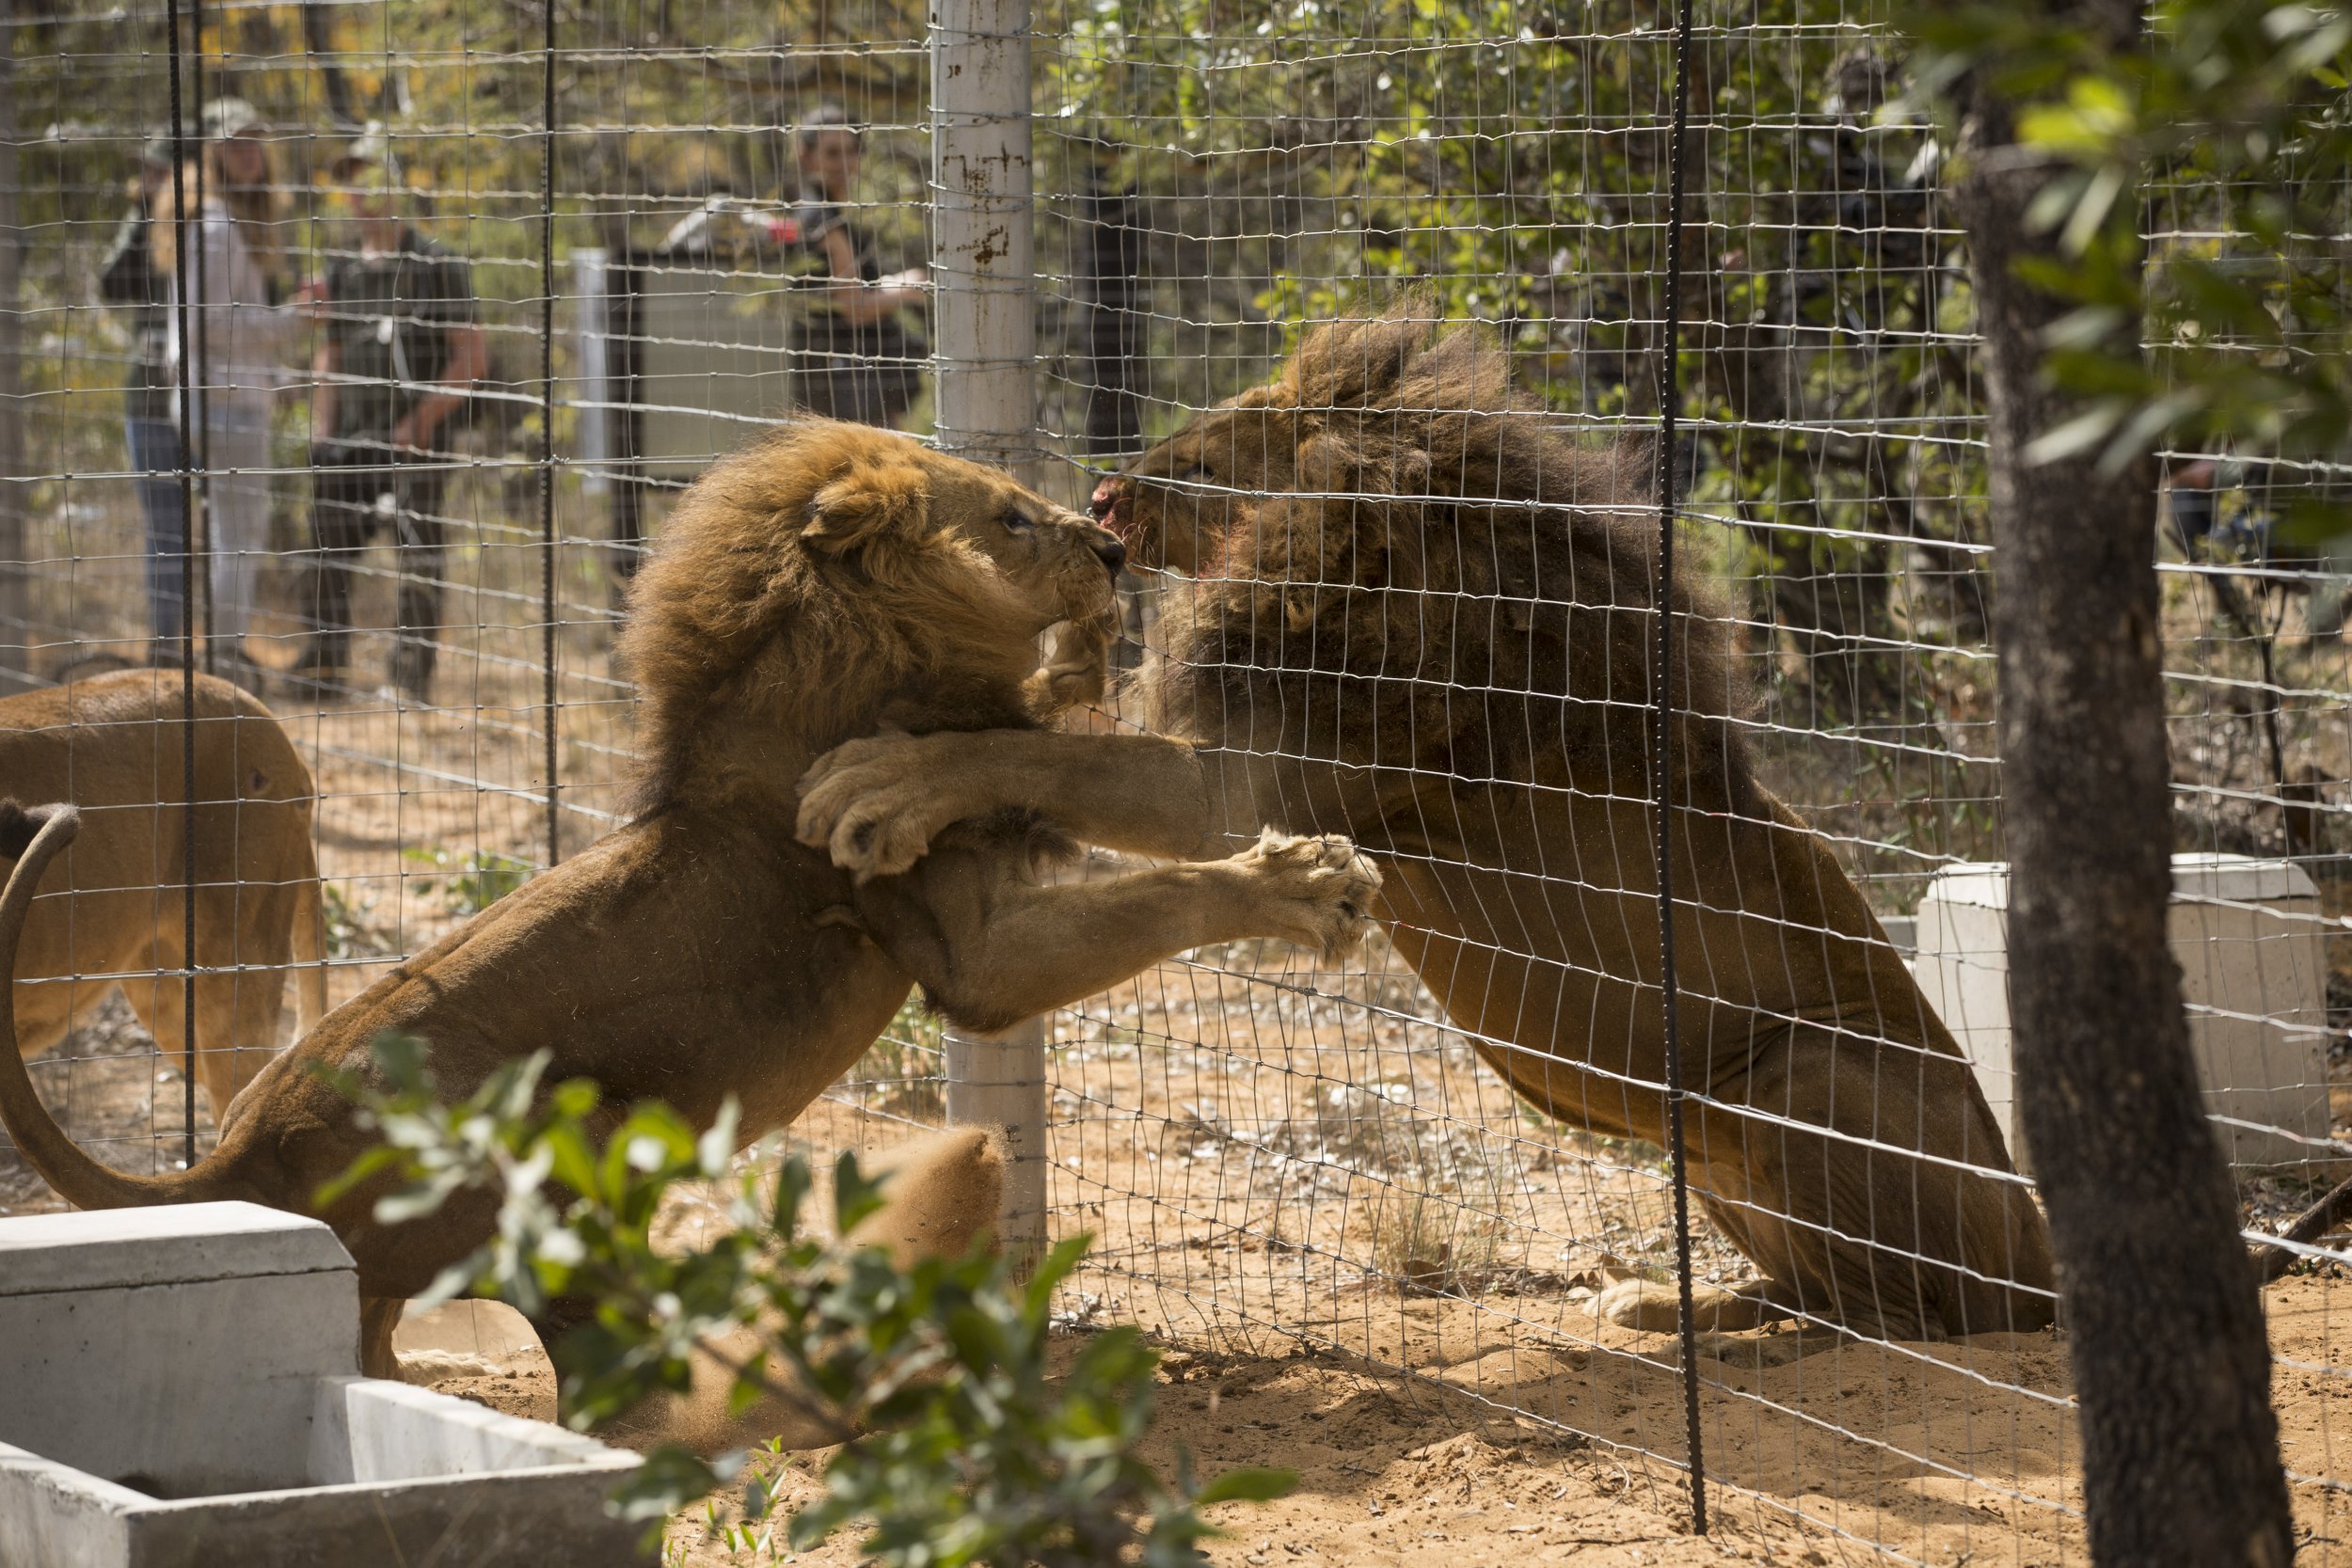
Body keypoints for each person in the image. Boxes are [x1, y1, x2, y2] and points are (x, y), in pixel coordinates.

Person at [296, 128, 484, 703]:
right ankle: (324, 671)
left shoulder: (435, 263)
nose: (363, 190)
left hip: (414, 441)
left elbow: (472, 355)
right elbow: (331, 348)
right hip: (348, 440)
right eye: (352, 178)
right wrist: (320, 427)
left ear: (396, 183)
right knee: (327, 555)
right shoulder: (344, 268)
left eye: (373, 175)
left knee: (418, 556)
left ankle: (408, 682)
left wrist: (423, 418)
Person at [148, 98, 298, 690]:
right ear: (212, 151)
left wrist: (280, 375)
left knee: (230, 532)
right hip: (223, 399)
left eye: (255, 142)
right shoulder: (216, 227)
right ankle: (225, 664)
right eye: (236, 143)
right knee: (240, 535)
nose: (250, 153)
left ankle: (220, 657)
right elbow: (212, 321)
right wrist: (294, 319)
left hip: (221, 392)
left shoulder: (221, 221)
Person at [98, 130, 188, 655]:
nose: (151, 180)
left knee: (219, 526)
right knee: (162, 528)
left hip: (209, 398)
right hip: (149, 400)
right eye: (149, 172)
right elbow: (111, 285)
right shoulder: (142, 226)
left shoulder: (210, 227)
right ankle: (165, 646)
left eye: (162, 172)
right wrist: (144, 217)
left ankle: (220, 648)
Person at [786, 105, 928, 427]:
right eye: (832, 153)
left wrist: (892, 283)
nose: (844, 163)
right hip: (849, 388)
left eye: (851, 152)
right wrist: (905, 290)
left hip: (848, 383)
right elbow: (853, 308)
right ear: (805, 156)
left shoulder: (816, 214)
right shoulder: (826, 224)